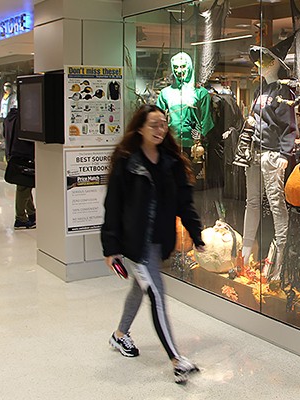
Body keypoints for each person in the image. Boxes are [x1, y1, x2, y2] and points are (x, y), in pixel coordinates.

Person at [101, 104, 206, 384]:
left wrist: (196, 234)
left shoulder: (170, 162)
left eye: (163, 124)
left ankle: (119, 335)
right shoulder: (128, 162)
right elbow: (113, 205)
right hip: (134, 246)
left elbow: (184, 202)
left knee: (139, 288)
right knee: (157, 296)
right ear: (140, 129)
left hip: (158, 243)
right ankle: (176, 360)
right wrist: (110, 248)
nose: (160, 130)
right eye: (154, 125)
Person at [239, 35, 297, 282]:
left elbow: (289, 125)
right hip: (254, 153)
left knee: (276, 207)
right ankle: (244, 255)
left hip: (273, 156)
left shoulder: (283, 90)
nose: (260, 64)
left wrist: (285, 153)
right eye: (258, 60)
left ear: (275, 62)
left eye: (265, 59)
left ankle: (280, 263)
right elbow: (254, 119)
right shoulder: (258, 89)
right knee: (252, 203)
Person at [4, 107, 36, 229]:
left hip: (13, 154)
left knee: (24, 184)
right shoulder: (23, 120)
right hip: (24, 155)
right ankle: (20, 219)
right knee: (24, 188)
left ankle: (32, 214)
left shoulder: (9, 118)